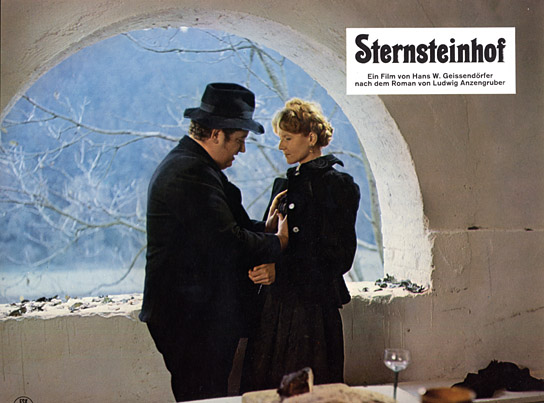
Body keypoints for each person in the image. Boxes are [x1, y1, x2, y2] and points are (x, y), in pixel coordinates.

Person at [139, 82, 289, 402]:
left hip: (194, 315)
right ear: (217, 134)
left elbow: (221, 226)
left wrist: (265, 228)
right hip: (191, 319)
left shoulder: (195, 165)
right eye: (239, 140)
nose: (242, 150)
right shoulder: (189, 171)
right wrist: (279, 242)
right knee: (205, 395)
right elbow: (227, 242)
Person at [242, 98, 360, 391]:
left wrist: (280, 271)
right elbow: (276, 243)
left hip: (312, 311)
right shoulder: (284, 186)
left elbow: (340, 258)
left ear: (311, 138)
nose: (281, 146)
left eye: (288, 138)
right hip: (273, 309)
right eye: (280, 138)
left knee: (308, 393)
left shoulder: (337, 185)